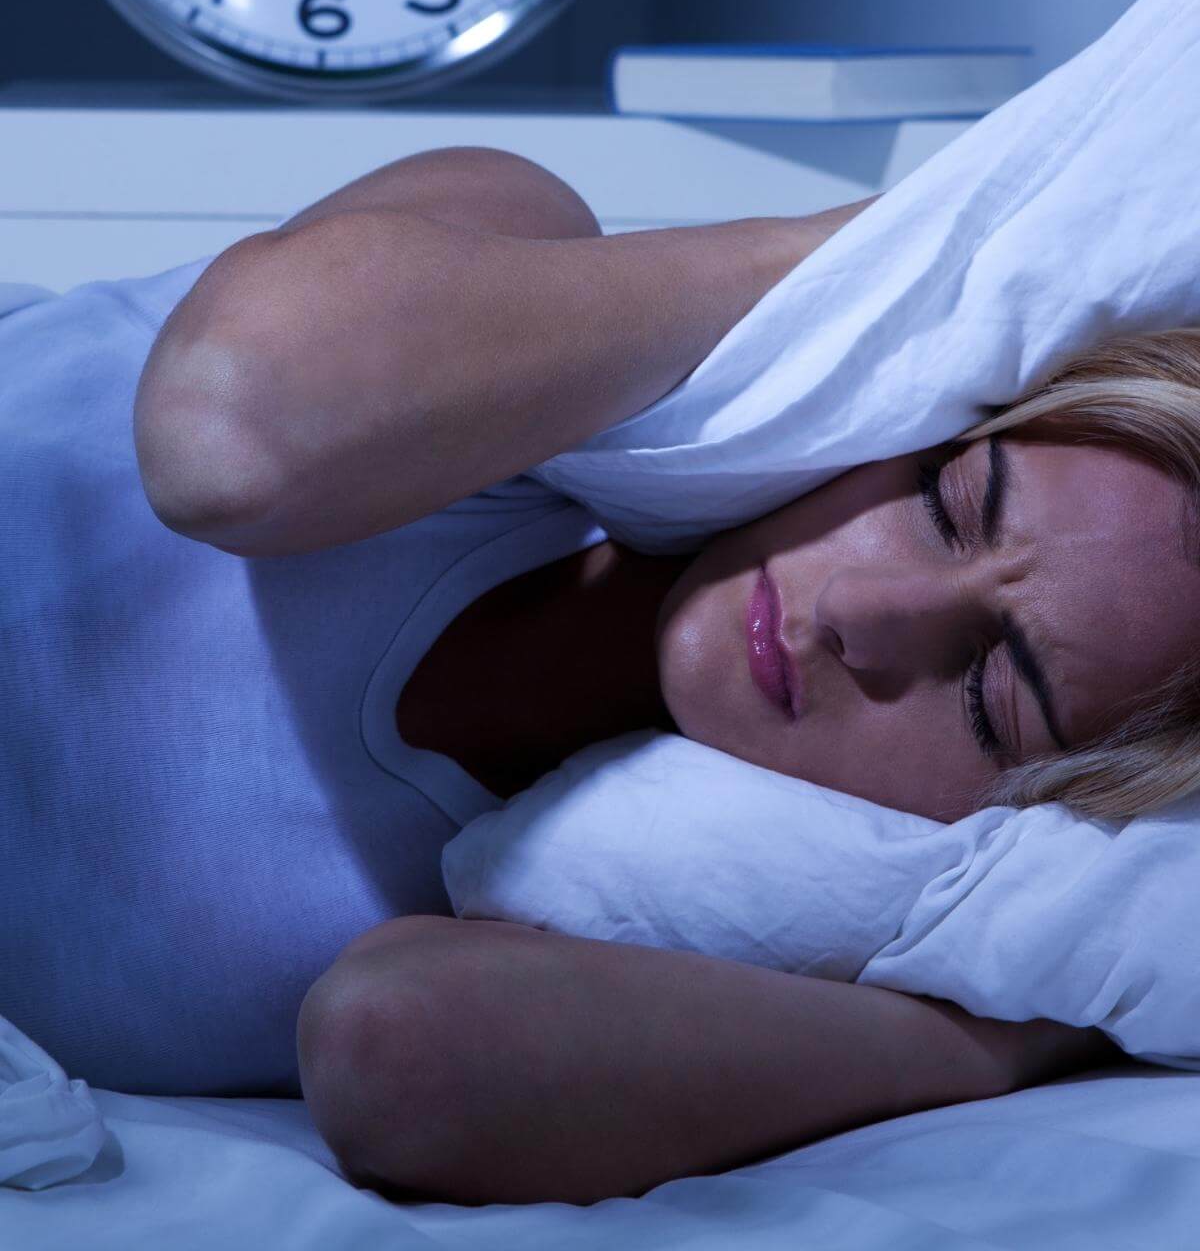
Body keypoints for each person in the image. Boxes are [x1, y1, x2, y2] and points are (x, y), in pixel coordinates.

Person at [6, 148, 1193, 1200]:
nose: (863, 616)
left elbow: (396, 1055)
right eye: (948, 502)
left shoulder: (636, 940)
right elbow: (229, 438)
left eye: (990, 695)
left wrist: (1009, 1031)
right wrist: (911, 255)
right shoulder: (513, 275)